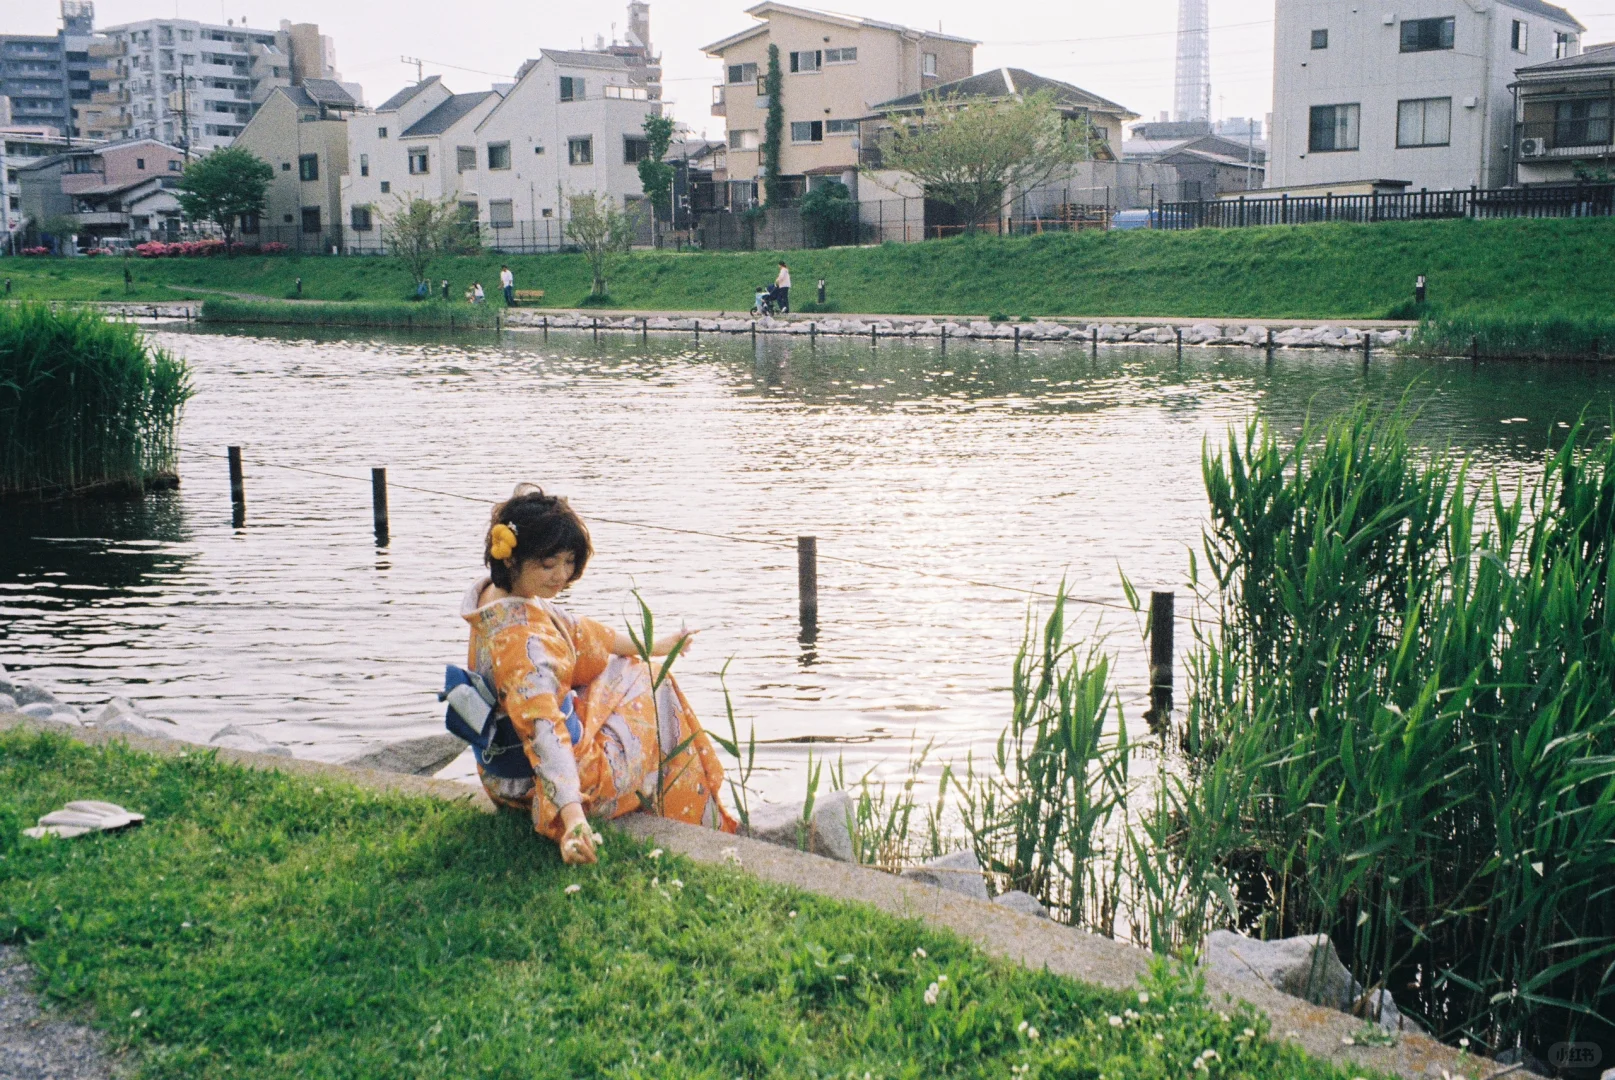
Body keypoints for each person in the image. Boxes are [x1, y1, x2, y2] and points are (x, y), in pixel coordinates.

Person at [461, 487, 736, 859]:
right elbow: (544, 733)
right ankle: (683, 811)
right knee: (656, 686)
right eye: (548, 564)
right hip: (549, 786)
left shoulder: (495, 599)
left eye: (568, 561)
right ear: (511, 559)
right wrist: (573, 819)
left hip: (500, 774)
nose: (561, 575)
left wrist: (655, 644)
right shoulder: (523, 648)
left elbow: (580, 634)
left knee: (630, 668)